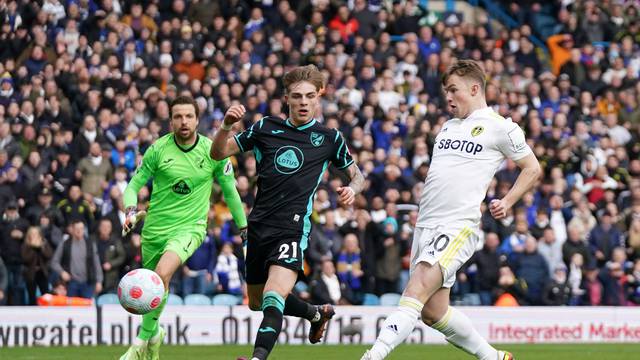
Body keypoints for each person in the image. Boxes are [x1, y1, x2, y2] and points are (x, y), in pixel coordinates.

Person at [362, 60, 541, 360]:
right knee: (433, 313)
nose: (447, 96)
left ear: (474, 89)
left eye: (453, 90)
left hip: (457, 226)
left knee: (415, 291)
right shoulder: (447, 127)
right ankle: (494, 357)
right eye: (445, 90)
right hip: (426, 226)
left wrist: (507, 201)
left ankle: (373, 356)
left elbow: (532, 168)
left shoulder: (500, 127)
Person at [212, 64, 365, 360]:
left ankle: (257, 358)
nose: (303, 102)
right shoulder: (265, 127)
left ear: (318, 98)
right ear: (287, 98)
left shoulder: (329, 138)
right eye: (297, 97)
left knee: (272, 297)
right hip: (258, 229)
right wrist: (226, 126)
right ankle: (315, 314)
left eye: (309, 96)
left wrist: (353, 190)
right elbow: (218, 153)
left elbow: (357, 174)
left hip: (292, 229)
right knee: (257, 302)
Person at [119, 95, 247, 360]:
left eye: (189, 116)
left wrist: (244, 229)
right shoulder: (157, 149)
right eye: (178, 116)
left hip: (190, 229)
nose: (183, 121)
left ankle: (140, 343)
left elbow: (231, 193)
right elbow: (133, 186)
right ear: (170, 121)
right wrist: (131, 211)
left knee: (161, 275)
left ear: (197, 120)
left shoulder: (214, 152)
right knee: (157, 286)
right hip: (154, 230)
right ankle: (154, 335)